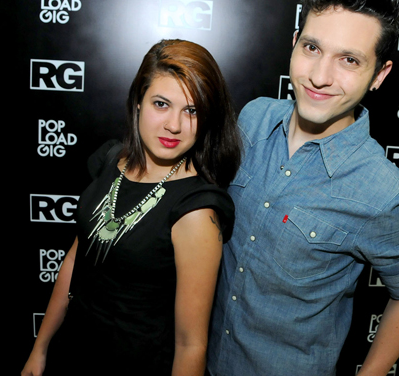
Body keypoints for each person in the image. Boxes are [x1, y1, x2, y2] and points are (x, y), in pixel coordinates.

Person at [207, 0, 399, 376]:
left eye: (349, 60)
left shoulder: (382, 193)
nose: (320, 76)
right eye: (312, 48)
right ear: (294, 44)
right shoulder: (253, 119)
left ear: (379, 75)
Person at [21, 39, 241, 376]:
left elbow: (190, 345)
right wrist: (40, 349)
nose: (174, 125)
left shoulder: (195, 212)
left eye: (192, 110)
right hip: (72, 353)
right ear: (139, 101)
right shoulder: (111, 160)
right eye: (161, 104)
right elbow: (75, 262)